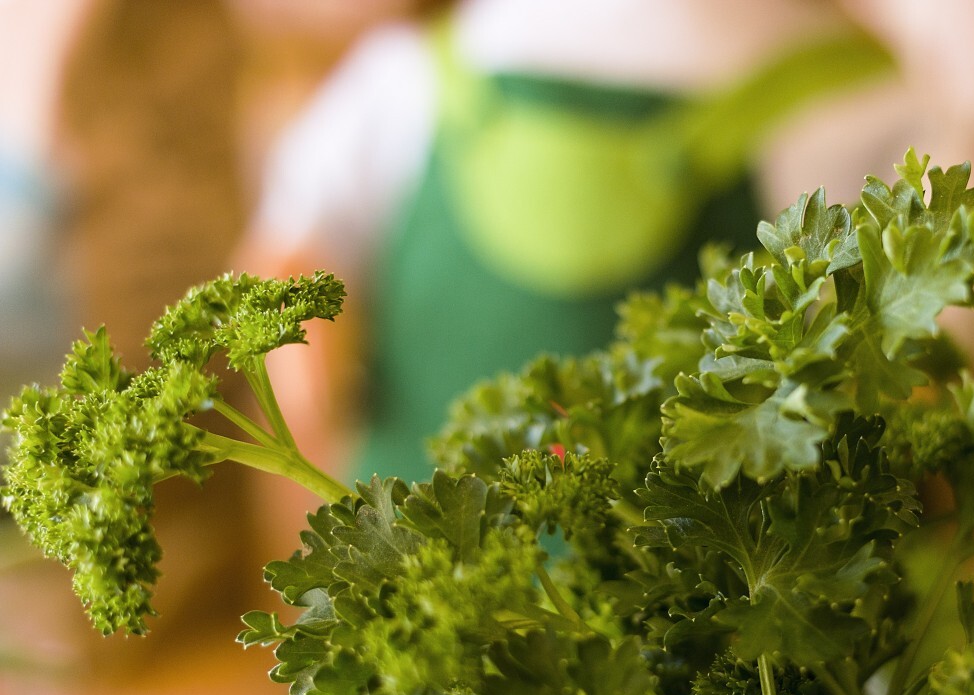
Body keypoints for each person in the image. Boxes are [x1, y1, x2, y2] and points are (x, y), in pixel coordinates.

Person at [238, 0, 905, 489]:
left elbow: (296, 231)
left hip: (696, 613)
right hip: (440, 568)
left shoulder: (410, 74)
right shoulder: (414, 74)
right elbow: (298, 239)